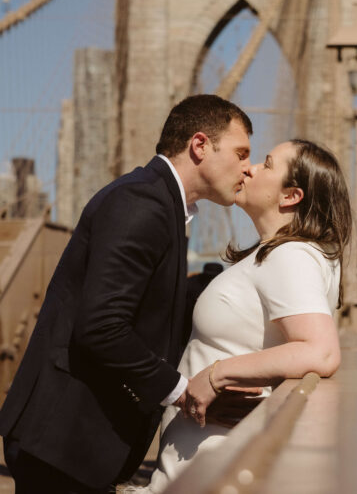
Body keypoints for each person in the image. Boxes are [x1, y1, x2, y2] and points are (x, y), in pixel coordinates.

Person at [0, 95, 252, 493]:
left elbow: (141, 305)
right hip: (62, 441)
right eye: (241, 153)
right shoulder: (143, 202)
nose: (247, 168)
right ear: (200, 145)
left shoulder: (163, 204)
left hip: (77, 444)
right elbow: (101, 325)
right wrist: (180, 391)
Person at [145, 138, 350, 492]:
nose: (250, 168)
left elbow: (322, 351)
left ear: (290, 196)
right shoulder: (285, 254)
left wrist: (215, 376)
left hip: (211, 467)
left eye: (267, 164)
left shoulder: (291, 256)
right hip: (207, 459)